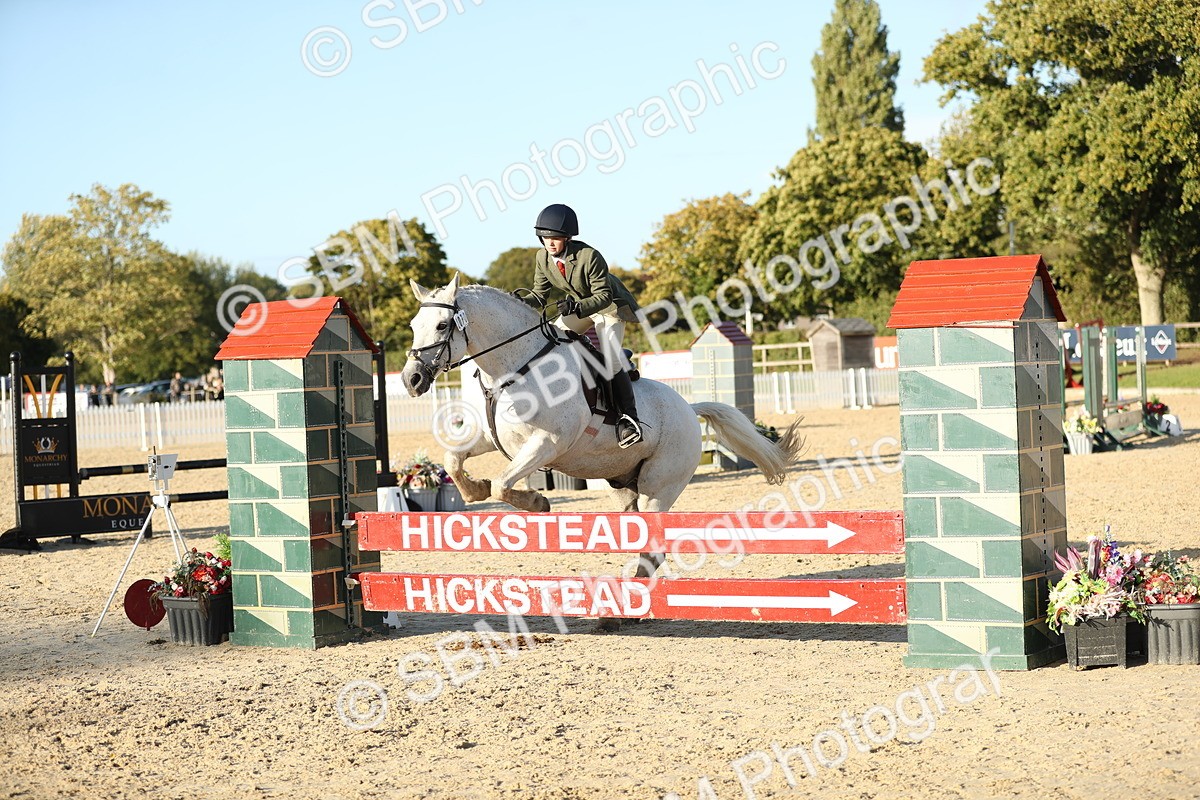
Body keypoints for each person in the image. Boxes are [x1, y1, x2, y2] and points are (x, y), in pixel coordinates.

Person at [528, 203, 643, 448]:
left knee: (610, 360)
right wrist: (516, 300)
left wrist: (576, 308)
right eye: (545, 237)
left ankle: (628, 419)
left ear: (567, 238)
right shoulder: (542, 258)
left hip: (610, 309)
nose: (550, 243)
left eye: (556, 238)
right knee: (553, 338)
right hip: (581, 307)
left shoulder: (589, 256)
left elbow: (603, 297)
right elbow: (539, 296)